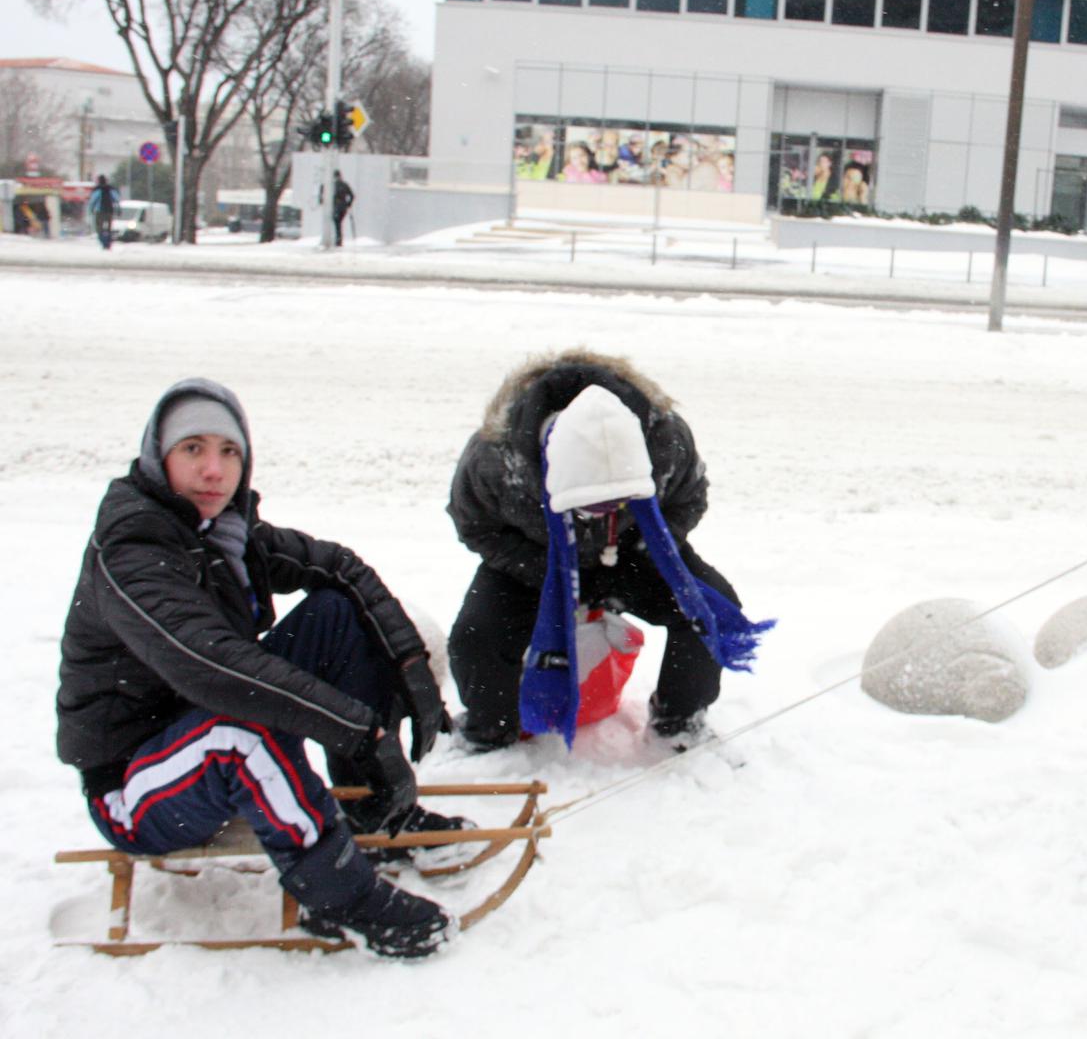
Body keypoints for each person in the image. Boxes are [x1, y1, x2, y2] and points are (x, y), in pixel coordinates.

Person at [57, 378, 465, 958]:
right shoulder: (132, 554)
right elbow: (216, 668)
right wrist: (360, 730)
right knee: (239, 728)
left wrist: (412, 672)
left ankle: (368, 808)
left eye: (229, 452)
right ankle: (341, 899)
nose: (214, 471)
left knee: (334, 614)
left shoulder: (221, 535)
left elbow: (343, 569)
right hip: (135, 788)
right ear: (159, 457)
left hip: (197, 730)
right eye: (192, 449)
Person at [446, 349, 771, 752]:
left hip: (633, 554)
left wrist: (645, 544)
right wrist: (544, 574)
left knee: (708, 606)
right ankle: (490, 729)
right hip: (538, 561)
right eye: (593, 506)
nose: (609, 512)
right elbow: (476, 526)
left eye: (621, 502)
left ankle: (679, 721)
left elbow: (690, 499)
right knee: (476, 635)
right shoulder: (497, 458)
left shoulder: (666, 441)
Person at [87, 174, 120, 250]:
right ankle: (108, 242)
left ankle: (103, 242)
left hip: (99, 211)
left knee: (99, 229)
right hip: (109, 211)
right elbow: (116, 199)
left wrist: (91, 210)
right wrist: (118, 209)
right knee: (109, 228)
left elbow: (92, 201)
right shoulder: (111, 189)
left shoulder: (97, 190)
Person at [331, 171, 354, 247]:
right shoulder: (344, 185)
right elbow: (352, 195)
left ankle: (338, 240)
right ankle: (339, 240)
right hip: (343, 208)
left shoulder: (334, 185)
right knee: (339, 223)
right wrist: (348, 204)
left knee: (337, 223)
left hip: (337, 207)